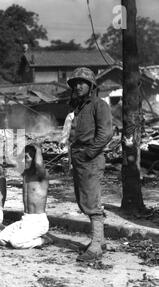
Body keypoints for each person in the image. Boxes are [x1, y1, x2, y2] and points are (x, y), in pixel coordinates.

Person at [67, 67, 113, 262]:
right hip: (79, 158)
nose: (78, 86)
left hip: (91, 159)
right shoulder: (79, 107)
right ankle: (99, 240)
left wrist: (88, 153)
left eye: (82, 83)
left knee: (91, 202)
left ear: (91, 85)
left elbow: (105, 134)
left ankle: (96, 246)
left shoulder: (99, 105)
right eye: (75, 83)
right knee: (83, 200)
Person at [0, 144, 49, 249]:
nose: (23, 161)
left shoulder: (42, 175)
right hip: (25, 219)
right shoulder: (25, 174)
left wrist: (37, 148)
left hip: (38, 222)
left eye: (27, 158)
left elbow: (39, 165)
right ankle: (31, 237)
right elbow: (10, 162)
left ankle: (43, 240)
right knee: (1, 238)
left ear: (34, 160)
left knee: (16, 243)